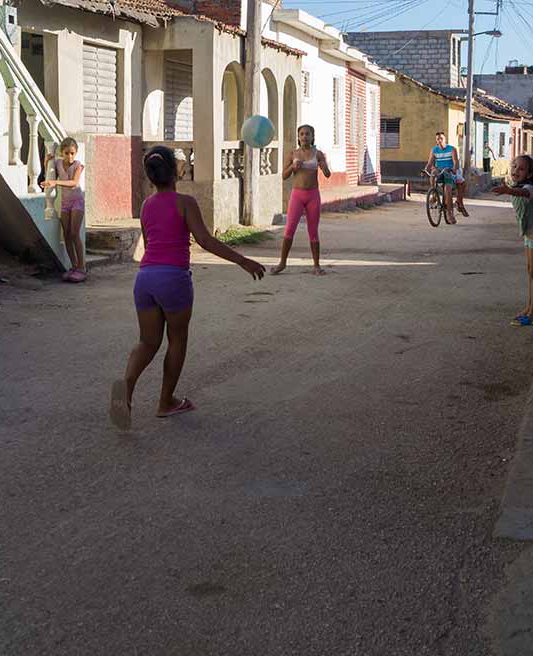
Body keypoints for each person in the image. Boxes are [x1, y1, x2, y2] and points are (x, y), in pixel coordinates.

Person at [109, 146, 266, 430]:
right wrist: (243, 260)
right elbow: (205, 240)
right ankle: (165, 402)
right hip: (173, 279)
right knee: (177, 340)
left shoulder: (146, 206)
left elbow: (148, 241)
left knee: (148, 342)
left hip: (145, 279)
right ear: (176, 171)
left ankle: (127, 386)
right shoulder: (185, 202)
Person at [492, 154, 533, 327]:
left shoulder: (530, 188)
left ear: (530, 174)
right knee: (531, 272)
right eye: (514, 166)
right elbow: (516, 190)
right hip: (529, 233)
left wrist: (508, 190)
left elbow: (523, 193)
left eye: (521, 168)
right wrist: (508, 188)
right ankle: (530, 308)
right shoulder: (516, 185)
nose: (516, 170)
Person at [271, 124, 330, 276]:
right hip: (297, 195)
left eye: (308, 134)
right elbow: (284, 176)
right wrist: (292, 167)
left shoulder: (318, 154)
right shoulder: (293, 153)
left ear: (312, 137)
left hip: (313, 196)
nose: (304, 137)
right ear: (298, 137)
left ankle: (316, 266)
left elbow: (328, 174)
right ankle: (282, 263)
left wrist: (323, 166)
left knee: (313, 231)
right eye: (302, 134)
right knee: (289, 229)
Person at [40, 137, 87, 282]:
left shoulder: (78, 165)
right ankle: (73, 266)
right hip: (65, 203)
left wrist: (55, 182)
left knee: (74, 233)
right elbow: (49, 168)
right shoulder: (58, 163)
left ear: (76, 153)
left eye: (72, 153)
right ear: (62, 152)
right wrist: (47, 161)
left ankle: (81, 267)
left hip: (77, 202)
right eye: (67, 153)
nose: (70, 156)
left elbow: (74, 183)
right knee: (66, 234)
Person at [424, 132, 469, 224]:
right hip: (439, 170)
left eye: (441, 138)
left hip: (449, 170)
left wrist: (454, 169)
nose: (440, 140)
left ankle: (450, 212)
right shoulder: (434, 150)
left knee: (450, 187)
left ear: (445, 139)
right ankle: (434, 193)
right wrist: (425, 170)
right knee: (432, 172)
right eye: (438, 139)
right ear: (436, 141)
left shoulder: (452, 149)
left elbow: (455, 161)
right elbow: (430, 163)